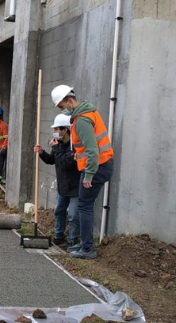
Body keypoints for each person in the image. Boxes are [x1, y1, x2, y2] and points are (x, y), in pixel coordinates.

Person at [51, 85, 114, 260]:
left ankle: (87, 248)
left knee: (84, 207)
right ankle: (85, 243)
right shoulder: (88, 113)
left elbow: (92, 150)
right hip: (101, 165)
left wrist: (89, 175)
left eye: (62, 106)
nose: (63, 111)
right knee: (85, 206)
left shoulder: (82, 120)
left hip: (96, 167)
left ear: (70, 100)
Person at [34, 114, 81, 247]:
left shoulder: (74, 145)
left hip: (75, 188)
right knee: (59, 211)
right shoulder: (58, 144)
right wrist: (42, 152)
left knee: (73, 215)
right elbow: (52, 160)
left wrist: (54, 148)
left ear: (65, 130)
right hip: (62, 187)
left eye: (56, 129)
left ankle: (72, 240)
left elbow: (67, 162)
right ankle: (59, 235)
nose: (54, 132)